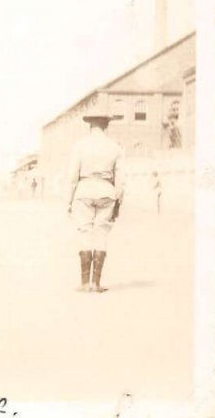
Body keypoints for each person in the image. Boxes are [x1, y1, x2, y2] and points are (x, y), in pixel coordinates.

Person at [66, 105, 124, 293]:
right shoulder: (115, 147)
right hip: (107, 191)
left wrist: (68, 200)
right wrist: (118, 201)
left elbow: (73, 176)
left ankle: (84, 283)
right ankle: (96, 283)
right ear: (106, 124)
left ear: (90, 125)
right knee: (101, 234)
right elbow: (120, 179)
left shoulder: (79, 146)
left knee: (85, 233)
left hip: (84, 191)